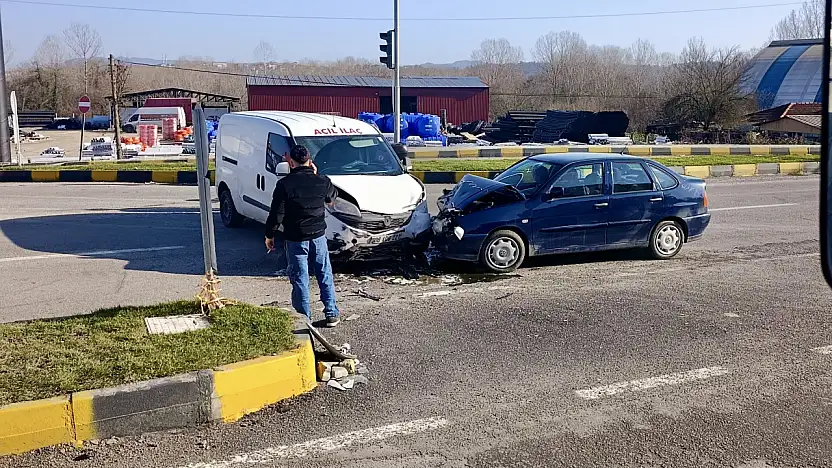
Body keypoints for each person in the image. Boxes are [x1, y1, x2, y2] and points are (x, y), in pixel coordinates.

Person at [265, 145, 341, 327]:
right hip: (318, 236)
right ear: (310, 160)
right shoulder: (322, 181)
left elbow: (277, 214)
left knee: (300, 278)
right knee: (324, 273)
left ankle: (304, 319)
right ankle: (331, 312)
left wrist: (270, 235)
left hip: (296, 237)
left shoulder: (284, 185)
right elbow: (331, 199)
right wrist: (316, 175)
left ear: (290, 162)